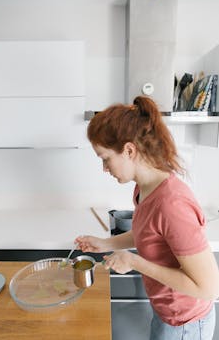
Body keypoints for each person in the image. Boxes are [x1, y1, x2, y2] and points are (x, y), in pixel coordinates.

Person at [75, 96, 219, 340]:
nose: (104, 168)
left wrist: (134, 263)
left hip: (185, 324)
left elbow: (208, 288)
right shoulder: (143, 189)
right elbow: (148, 234)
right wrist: (106, 243)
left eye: (105, 159)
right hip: (167, 314)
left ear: (129, 150)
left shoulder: (172, 204)